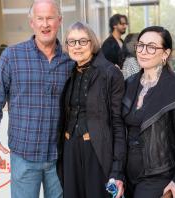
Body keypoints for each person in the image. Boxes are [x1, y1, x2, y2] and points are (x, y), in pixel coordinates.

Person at [0, 1, 74, 198]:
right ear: (32, 22)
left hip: (60, 156)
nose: (45, 24)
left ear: (59, 21)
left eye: (50, 18)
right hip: (24, 155)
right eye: (40, 19)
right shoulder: (12, 56)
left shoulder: (70, 60)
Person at [122, 26, 175, 198]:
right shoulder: (129, 83)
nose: (143, 51)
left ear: (165, 53)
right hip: (128, 175)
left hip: (157, 175)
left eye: (152, 47)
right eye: (140, 45)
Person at [59, 21, 126, 198]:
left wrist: (117, 169)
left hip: (97, 151)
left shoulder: (110, 73)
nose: (77, 47)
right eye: (71, 42)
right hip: (69, 149)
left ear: (92, 42)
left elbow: (118, 124)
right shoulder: (68, 71)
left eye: (83, 41)